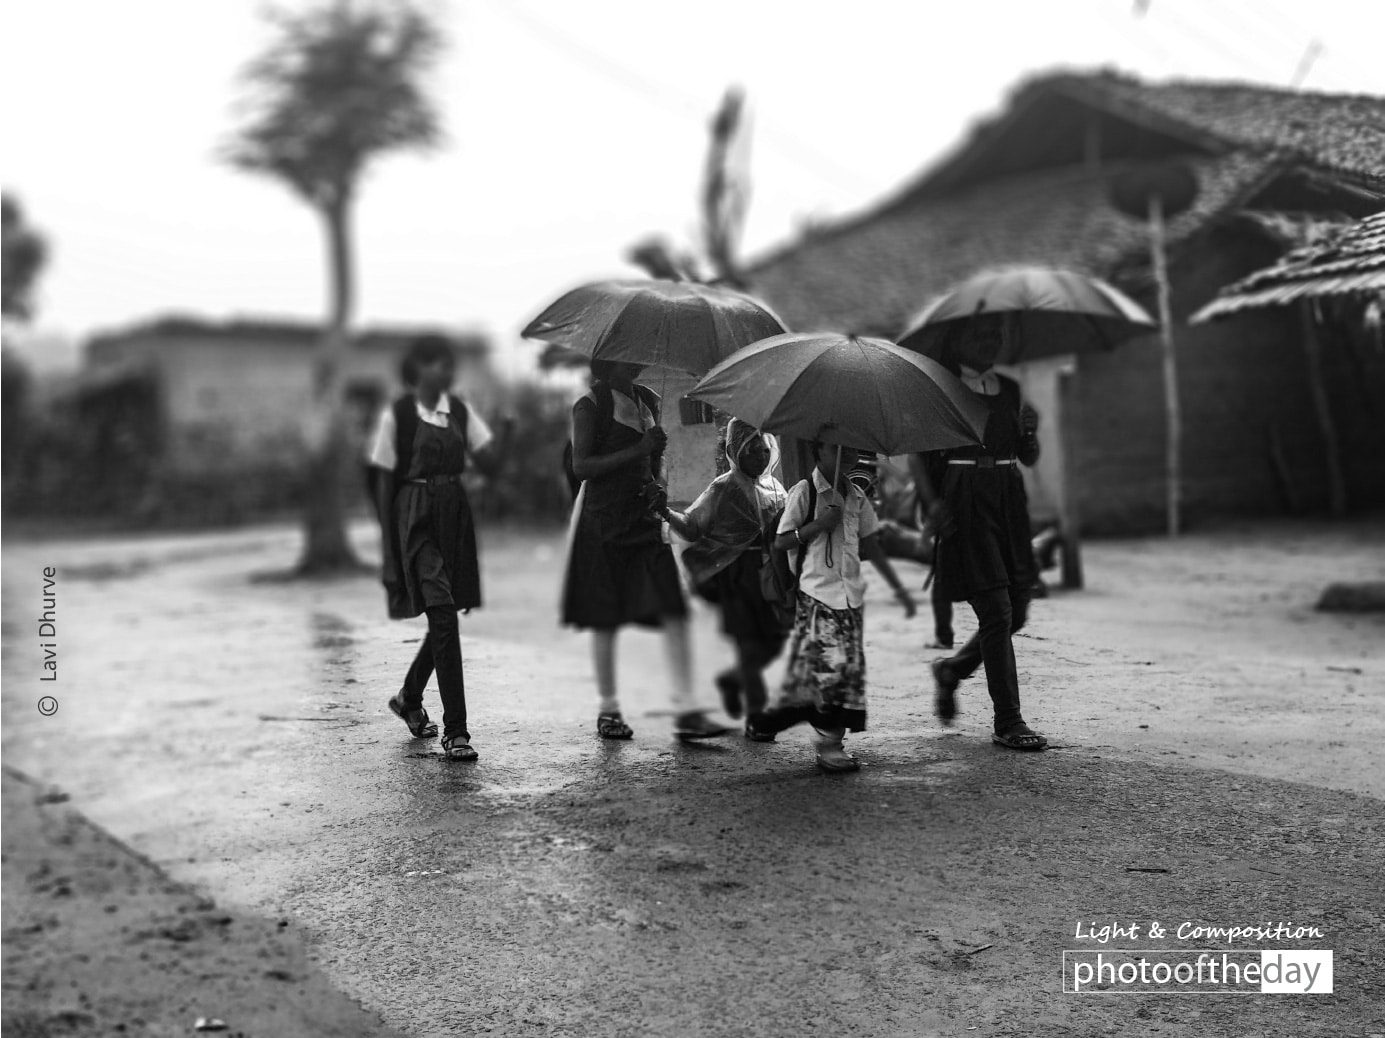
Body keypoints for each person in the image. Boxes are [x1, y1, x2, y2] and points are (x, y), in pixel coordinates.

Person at [562, 359, 730, 743]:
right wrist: (639, 447)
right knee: (605, 616)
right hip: (603, 521)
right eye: (628, 355)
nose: (637, 360)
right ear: (609, 359)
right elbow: (582, 465)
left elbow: (659, 462)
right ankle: (608, 709)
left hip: (643, 521)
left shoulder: (649, 401)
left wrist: (660, 482)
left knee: (674, 608)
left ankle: (687, 710)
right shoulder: (590, 405)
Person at [368, 334, 507, 762]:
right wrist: (390, 550)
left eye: (449, 364)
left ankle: (410, 697)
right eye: (437, 364)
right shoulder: (399, 416)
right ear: (418, 368)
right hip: (415, 517)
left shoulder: (460, 411)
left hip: (454, 515)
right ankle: (456, 731)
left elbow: (490, 464)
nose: (446, 371)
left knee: (443, 616)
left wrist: (509, 428)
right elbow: (383, 482)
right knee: (443, 613)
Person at [747, 441, 918, 772]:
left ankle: (768, 720)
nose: (847, 454)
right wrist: (817, 526)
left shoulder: (856, 495)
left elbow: (871, 545)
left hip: (850, 597)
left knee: (826, 672)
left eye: (852, 448)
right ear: (818, 451)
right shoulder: (805, 491)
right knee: (831, 670)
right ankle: (829, 744)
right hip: (817, 595)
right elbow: (781, 541)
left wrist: (900, 589)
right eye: (836, 448)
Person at [924, 356, 1049, 751]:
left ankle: (952, 670)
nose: (988, 342)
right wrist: (932, 504)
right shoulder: (944, 385)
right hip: (966, 498)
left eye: (994, 334)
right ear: (961, 342)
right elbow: (923, 453)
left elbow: (1027, 456)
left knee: (1018, 607)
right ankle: (1008, 720)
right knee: (996, 610)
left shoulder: (1010, 387)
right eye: (979, 334)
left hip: (1008, 499)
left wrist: (1030, 432)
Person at [660, 419, 788, 737]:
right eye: (752, 450)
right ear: (734, 452)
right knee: (748, 645)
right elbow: (691, 526)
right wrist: (663, 509)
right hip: (736, 577)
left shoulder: (776, 488)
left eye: (764, 449)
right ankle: (757, 718)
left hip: (772, 576)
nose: (760, 455)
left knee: (773, 642)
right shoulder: (723, 488)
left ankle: (734, 680)